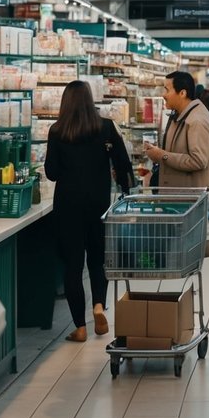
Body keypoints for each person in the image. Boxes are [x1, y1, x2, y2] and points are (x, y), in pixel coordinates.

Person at [44, 80, 134, 343]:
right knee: (97, 259)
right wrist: (126, 189)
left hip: (68, 204)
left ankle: (80, 327)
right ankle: (98, 306)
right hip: (98, 203)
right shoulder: (105, 127)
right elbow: (123, 164)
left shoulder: (57, 130)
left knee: (73, 264)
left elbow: (52, 172)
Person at [144, 71, 209, 198]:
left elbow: (198, 161)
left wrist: (162, 156)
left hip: (191, 199)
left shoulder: (196, 121)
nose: (164, 95)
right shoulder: (182, 115)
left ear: (182, 93)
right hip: (183, 196)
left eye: (167, 90)